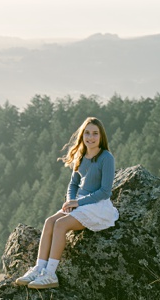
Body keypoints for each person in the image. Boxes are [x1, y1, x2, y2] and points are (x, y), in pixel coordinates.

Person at [15, 117, 119, 289]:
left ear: (101, 137)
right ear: (82, 135)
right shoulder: (81, 156)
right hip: (79, 203)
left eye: (95, 133)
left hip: (97, 206)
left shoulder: (106, 157)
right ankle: (39, 268)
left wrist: (78, 203)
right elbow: (73, 184)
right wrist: (70, 201)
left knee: (61, 225)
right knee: (49, 222)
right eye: (87, 133)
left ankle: (50, 274)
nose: (90, 137)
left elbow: (105, 191)